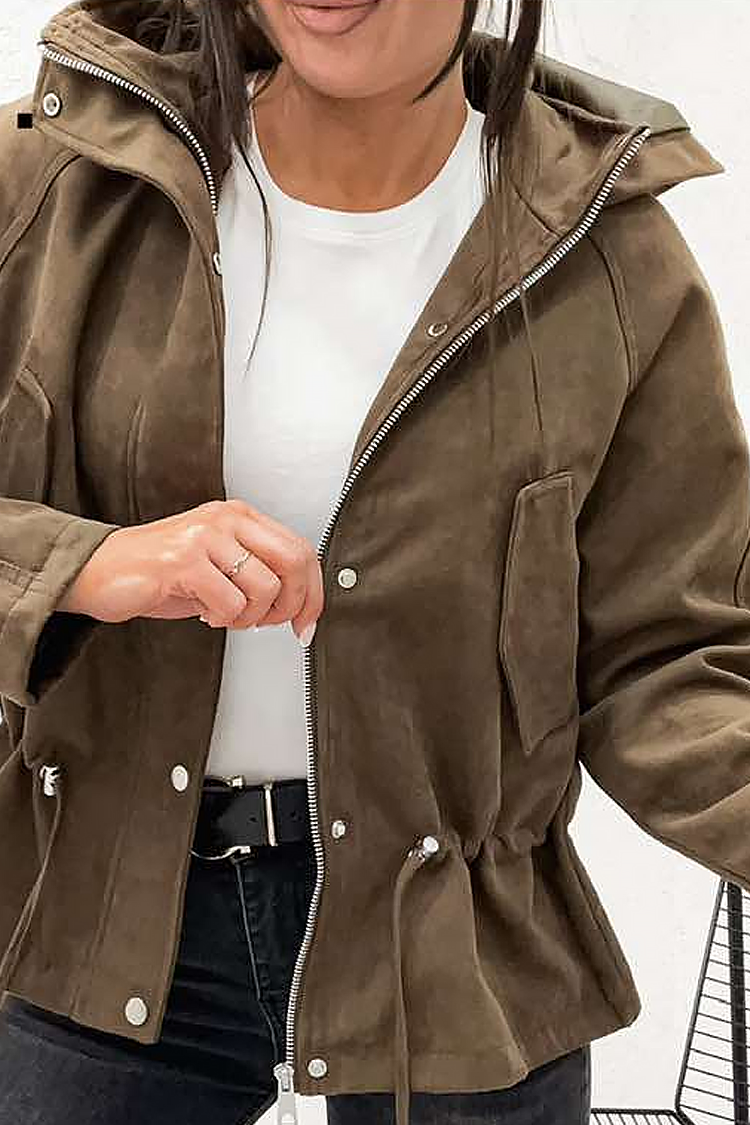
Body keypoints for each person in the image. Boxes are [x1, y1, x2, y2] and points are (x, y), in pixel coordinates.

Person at [0, 0, 744, 1123]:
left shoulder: (606, 246)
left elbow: (674, 649)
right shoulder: (69, 178)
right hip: (99, 919)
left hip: (458, 956)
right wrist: (91, 566)